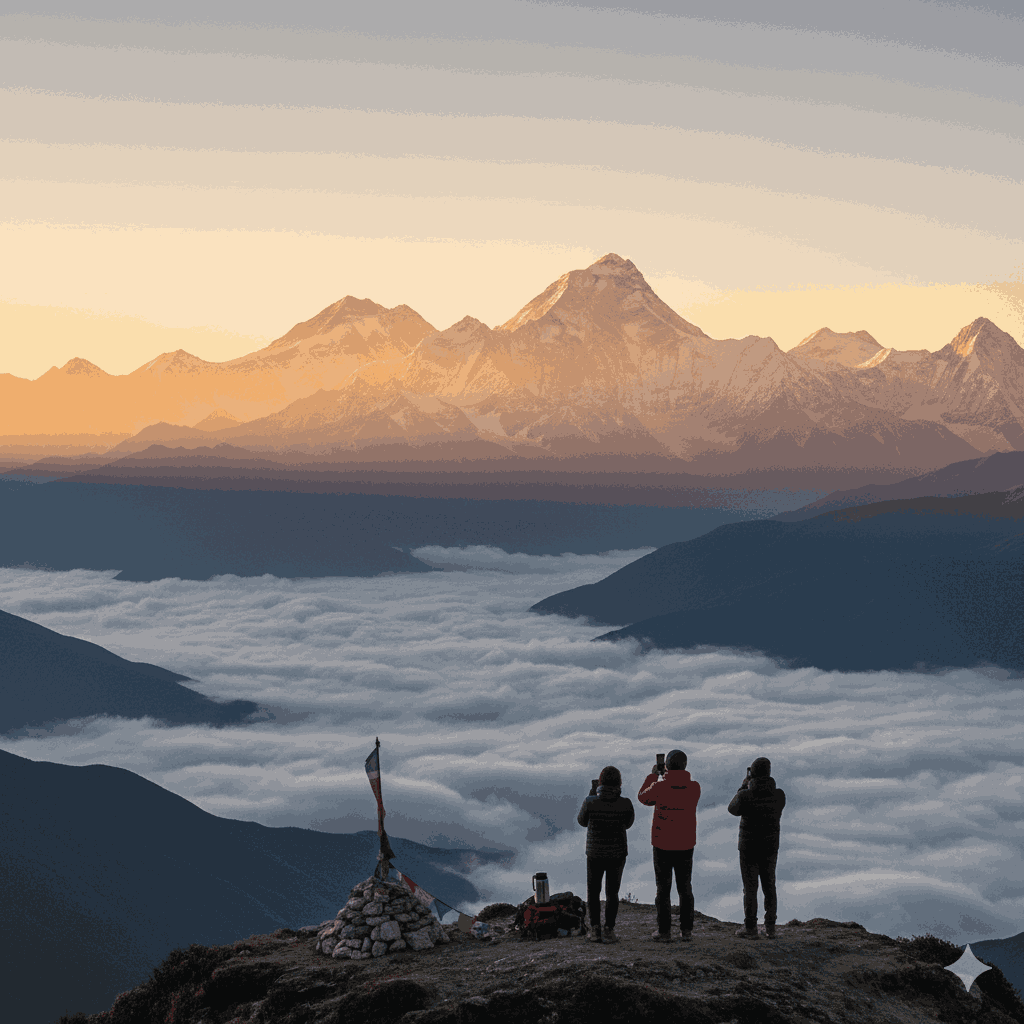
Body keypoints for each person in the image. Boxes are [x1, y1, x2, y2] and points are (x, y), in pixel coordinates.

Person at [637, 749, 701, 942]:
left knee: (663, 889)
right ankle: (686, 931)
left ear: (666, 766)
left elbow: (642, 797)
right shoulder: (694, 787)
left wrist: (653, 776)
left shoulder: (660, 787)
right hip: (686, 844)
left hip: (662, 844)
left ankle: (664, 932)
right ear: (685, 766)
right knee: (685, 888)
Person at [728, 756, 786, 939]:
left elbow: (732, 809)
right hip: (770, 847)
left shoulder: (745, 795)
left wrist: (743, 786)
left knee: (750, 888)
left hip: (749, 847)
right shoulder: (779, 795)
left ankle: (751, 928)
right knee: (770, 886)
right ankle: (771, 928)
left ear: (752, 773)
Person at [577, 765, 635, 944]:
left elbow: (582, 821)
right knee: (612, 893)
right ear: (619, 783)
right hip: (617, 854)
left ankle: (594, 930)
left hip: (594, 853)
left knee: (593, 892)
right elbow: (628, 823)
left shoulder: (590, 801)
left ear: (600, 782)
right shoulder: (625, 803)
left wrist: (592, 793)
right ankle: (609, 930)